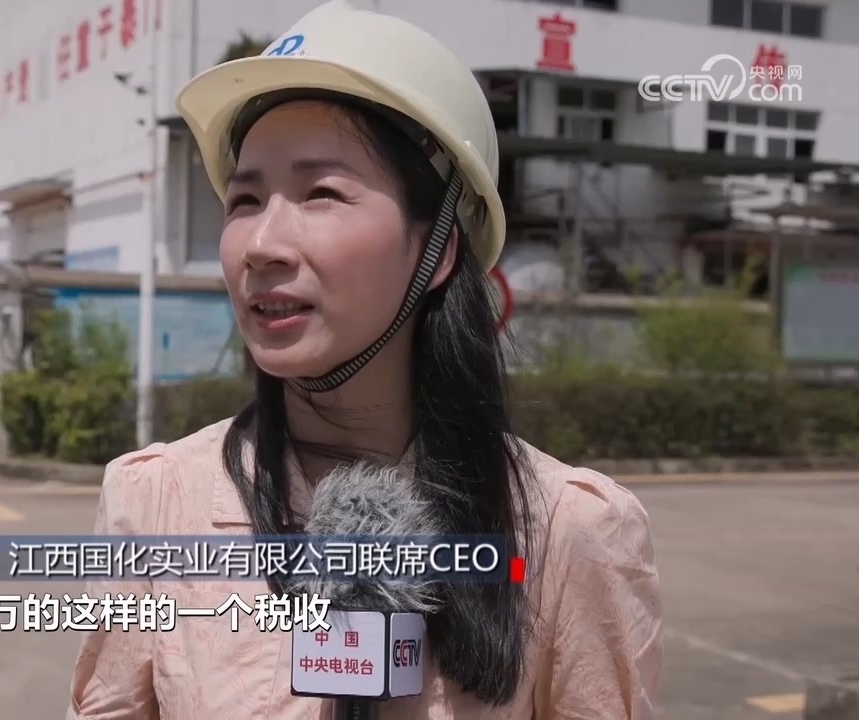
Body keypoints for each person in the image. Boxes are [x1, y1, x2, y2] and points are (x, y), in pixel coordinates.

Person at [67, 2, 663, 718]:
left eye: (321, 193)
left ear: (438, 248)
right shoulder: (155, 504)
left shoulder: (570, 531)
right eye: (245, 199)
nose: (262, 244)